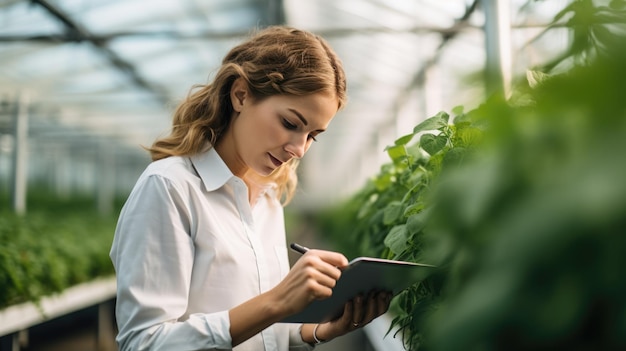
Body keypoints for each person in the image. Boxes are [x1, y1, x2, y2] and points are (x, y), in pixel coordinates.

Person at [109, 25, 391, 351]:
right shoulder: (170, 188)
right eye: (290, 123)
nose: (299, 149)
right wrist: (277, 301)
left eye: (313, 135)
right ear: (241, 94)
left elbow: (265, 334)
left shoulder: (268, 200)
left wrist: (318, 330)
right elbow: (142, 342)